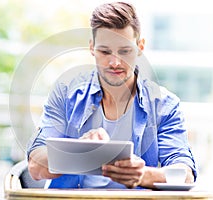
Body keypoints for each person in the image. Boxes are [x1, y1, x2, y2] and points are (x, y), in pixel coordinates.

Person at [27, 2, 197, 189]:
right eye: (105, 51)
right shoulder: (66, 94)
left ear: (140, 47)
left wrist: (143, 175)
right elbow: (35, 165)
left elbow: (185, 175)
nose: (115, 62)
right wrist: (79, 151)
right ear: (92, 48)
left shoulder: (165, 105)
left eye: (125, 51)